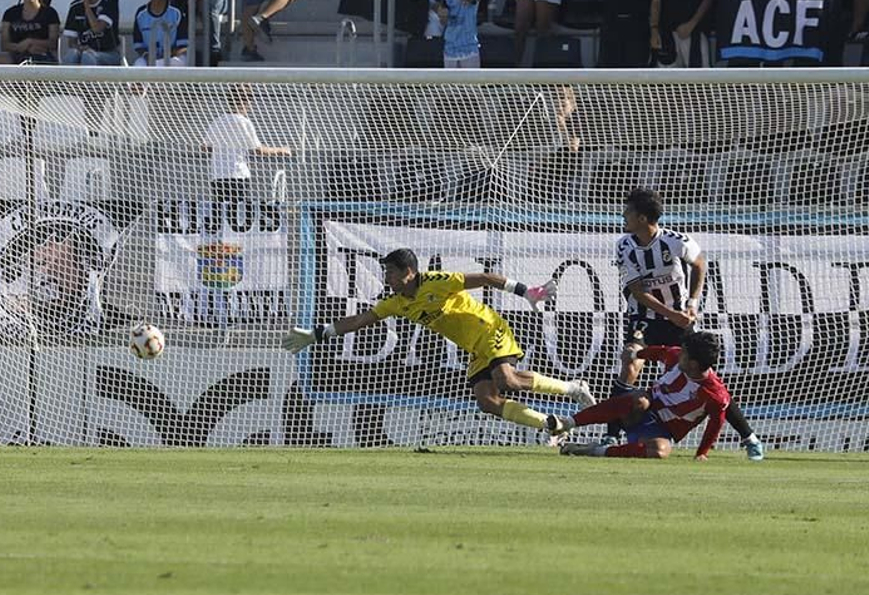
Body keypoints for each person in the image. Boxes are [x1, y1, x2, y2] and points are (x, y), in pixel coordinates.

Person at [281, 248, 597, 438]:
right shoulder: (395, 302)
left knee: (507, 379)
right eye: (385, 272)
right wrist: (316, 334)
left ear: (409, 271)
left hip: (489, 329)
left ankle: (574, 388)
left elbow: (486, 278)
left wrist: (527, 292)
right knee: (487, 401)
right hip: (475, 347)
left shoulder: (436, 281)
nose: (386, 277)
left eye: (390, 271)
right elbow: (359, 320)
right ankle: (554, 424)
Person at [611, 187, 764, 459]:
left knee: (708, 382)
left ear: (643, 218)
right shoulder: (624, 245)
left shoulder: (675, 241)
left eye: (629, 212)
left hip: (679, 320)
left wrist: (692, 303)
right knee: (630, 362)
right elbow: (637, 291)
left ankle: (749, 437)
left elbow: (700, 264)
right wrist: (672, 315)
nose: (624, 215)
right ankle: (612, 431)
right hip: (644, 317)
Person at [550, 333, 733, 460]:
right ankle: (567, 423)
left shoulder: (715, 395)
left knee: (662, 450)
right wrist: (637, 354)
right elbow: (661, 352)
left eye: (684, 353)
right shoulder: (677, 357)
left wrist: (702, 453)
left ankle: (595, 451)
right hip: (637, 409)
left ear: (693, 364)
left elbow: (716, 422)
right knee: (640, 400)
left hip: (658, 431)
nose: (680, 353)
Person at [201, 84, 289, 203]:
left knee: (222, 213)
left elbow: (205, 147)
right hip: (238, 176)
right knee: (237, 212)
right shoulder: (244, 122)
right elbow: (259, 150)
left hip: (218, 175)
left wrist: (224, 149)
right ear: (246, 100)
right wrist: (281, 150)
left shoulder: (218, 121)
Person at [62, 0, 123, 65]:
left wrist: (86, 5)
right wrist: (80, 48)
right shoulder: (75, 6)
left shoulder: (110, 0)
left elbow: (97, 28)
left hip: (108, 53)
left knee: (88, 57)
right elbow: (71, 42)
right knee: (72, 55)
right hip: (84, 51)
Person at [434, 0, 481, 69]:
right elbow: (445, 23)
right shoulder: (447, 0)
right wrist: (442, 16)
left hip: (469, 50)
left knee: (470, 85)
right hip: (450, 50)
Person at [134, 0, 187, 65]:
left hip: (174, 56)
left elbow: (183, 46)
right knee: (139, 64)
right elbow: (139, 45)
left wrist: (166, 55)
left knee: (176, 62)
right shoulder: (141, 14)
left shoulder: (176, 12)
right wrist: (148, 56)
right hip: (149, 58)